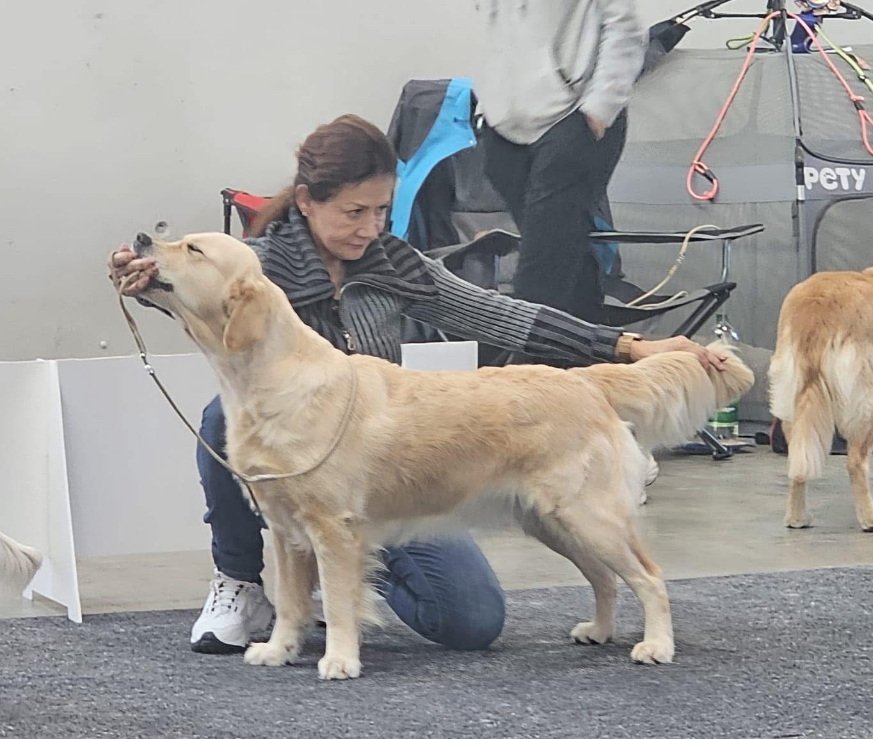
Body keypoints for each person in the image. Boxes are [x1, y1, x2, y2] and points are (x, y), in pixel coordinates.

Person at [108, 114, 724, 656]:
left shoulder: (394, 262)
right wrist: (149, 284)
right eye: (355, 211)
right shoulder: (259, 266)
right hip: (296, 454)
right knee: (225, 421)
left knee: (471, 621)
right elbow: (203, 299)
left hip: (386, 472)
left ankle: (347, 571)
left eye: (381, 210)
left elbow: (501, 315)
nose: (370, 227)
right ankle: (241, 584)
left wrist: (627, 346)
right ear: (308, 202)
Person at [475, 0, 646, 322]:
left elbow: (625, 26)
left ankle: (527, 349)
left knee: (542, 264)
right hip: (504, 127)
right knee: (563, 256)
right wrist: (486, 110)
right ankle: (583, 343)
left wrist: (599, 109)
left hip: (573, 120)